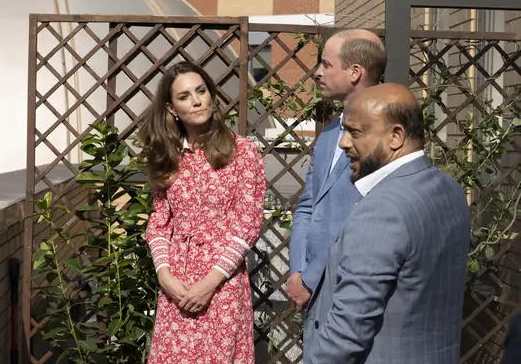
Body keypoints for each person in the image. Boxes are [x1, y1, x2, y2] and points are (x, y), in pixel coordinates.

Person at [306, 83, 471, 364]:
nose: (344, 142)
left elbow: (347, 332)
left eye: (355, 132)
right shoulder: (450, 189)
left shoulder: (382, 209)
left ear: (396, 136)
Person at [138, 61, 266, 364]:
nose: (196, 101)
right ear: (171, 109)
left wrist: (208, 284)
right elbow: (158, 224)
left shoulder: (243, 152)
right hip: (176, 288)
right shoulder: (167, 157)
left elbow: (247, 225)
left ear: (211, 95)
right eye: (184, 96)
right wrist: (165, 275)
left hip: (221, 286)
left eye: (201, 91)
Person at [286, 29, 386, 350]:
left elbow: (363, 218)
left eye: (326, 64)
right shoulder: (331, 132)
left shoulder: (383, 136)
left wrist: (309, 278)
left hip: (351, 290)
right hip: (314, 293)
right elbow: (308, 205)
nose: (317, 72)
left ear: (355, 72)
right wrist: (297, 269)